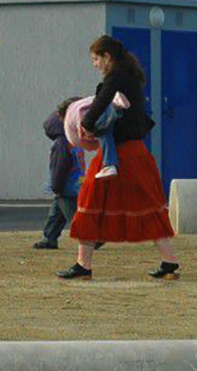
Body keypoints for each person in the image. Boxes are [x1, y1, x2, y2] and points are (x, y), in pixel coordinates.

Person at [60, 35, 180, 281]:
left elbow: (99, 105)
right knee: (148, 205)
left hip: (117, 153)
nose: (94, 64)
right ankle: (169, 261)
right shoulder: (129, 77)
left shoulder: (115, 78)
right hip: (136, 153)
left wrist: (86, 125)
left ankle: (84, 264)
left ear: (107, 57)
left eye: (95, 59)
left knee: (90, 201)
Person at [35, 97, 87, 250]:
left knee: (73, 215)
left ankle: (91, 238)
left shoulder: (61, 144)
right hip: (76, 183)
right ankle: (49, 237)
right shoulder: (75, 140)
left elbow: (60, 167)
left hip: (66, 187)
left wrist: (56, 187)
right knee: (56, 213)